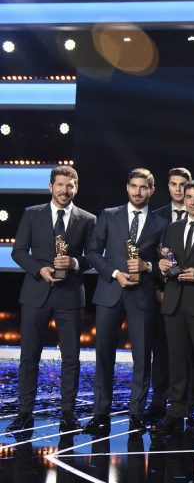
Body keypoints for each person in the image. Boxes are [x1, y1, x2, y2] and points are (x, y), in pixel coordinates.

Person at [7, 166, 96, 434]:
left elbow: (93, 256)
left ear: (76, 188)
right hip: (36, 292)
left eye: (69, 185)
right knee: (29, 356)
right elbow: (18, 251)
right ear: (50, 186)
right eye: (60, 185)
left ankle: (68, 413)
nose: (64, 190)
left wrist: (74, 262)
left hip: (70, 294)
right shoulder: (32, 214)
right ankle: (24, 413)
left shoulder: (87, 219)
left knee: (71, 357)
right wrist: (40, 269)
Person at [84, 168, 168, 435]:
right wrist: (114, 273)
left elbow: (165, 264)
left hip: (142, 296)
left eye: (143, 187)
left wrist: (147, 266)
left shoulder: (161, 223)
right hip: (110, 292)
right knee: (103, 355)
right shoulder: (109, 215)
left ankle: (136, 415)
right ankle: (100, 414)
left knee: (142, 358)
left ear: (151, 190)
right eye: (134, 186)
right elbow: (92, 252)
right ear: (127, 187)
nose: (138, 192)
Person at [151, 180, 194, 438]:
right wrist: (162, 267)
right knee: (177, 362)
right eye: (188, 196)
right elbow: (166, 259)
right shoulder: (173, 228)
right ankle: (176, 410)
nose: (192, 201)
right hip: (174, 303)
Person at [149, 166, 192, 422]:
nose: (178, 189)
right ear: (168, 186)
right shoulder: (156, 217)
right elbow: (149, 255)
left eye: (183, 184)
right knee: (162, 350)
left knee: (191, 352)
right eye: (174, 184)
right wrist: (157, 289)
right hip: (163, 295)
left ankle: (190, 401)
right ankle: (158, 400)